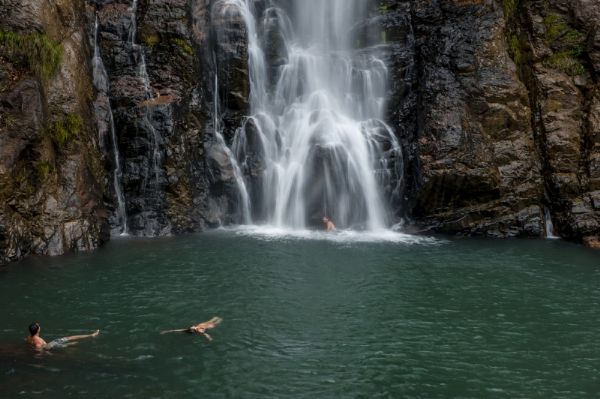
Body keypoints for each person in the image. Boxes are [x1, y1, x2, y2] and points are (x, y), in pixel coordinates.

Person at [26, 322, 100, 350]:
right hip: (50, 346)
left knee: (70, 344)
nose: (39, 326)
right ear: (38, 330)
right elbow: (39, 349)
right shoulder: (38, 340)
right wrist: (48, 354)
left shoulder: (29, 337)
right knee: (70, 338)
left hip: (50, 346)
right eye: (39, 326)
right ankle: (91, 335)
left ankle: (70, 345)